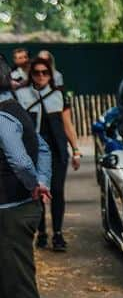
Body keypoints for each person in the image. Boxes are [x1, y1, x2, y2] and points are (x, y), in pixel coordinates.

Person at [0, 84, 51, 298]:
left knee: (17, 282)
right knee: (7, 282)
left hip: (11, 211)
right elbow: (43, 148)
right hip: (15, 209)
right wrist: (41, 180)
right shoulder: (16, 108)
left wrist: (34, 184)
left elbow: (20, 161)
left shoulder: (3, 116)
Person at [17, 57, 81, 250]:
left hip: (57, 150)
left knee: (58, 191)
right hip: (34, 151)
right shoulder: (21, 94)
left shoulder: (58, 95)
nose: (41, 76)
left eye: (45, 72)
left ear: (50, 74)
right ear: (31, 74)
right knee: (37, 192)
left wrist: (76, 149)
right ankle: (42, 232)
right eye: (37, 72)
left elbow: (67, 124)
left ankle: (58, 234)